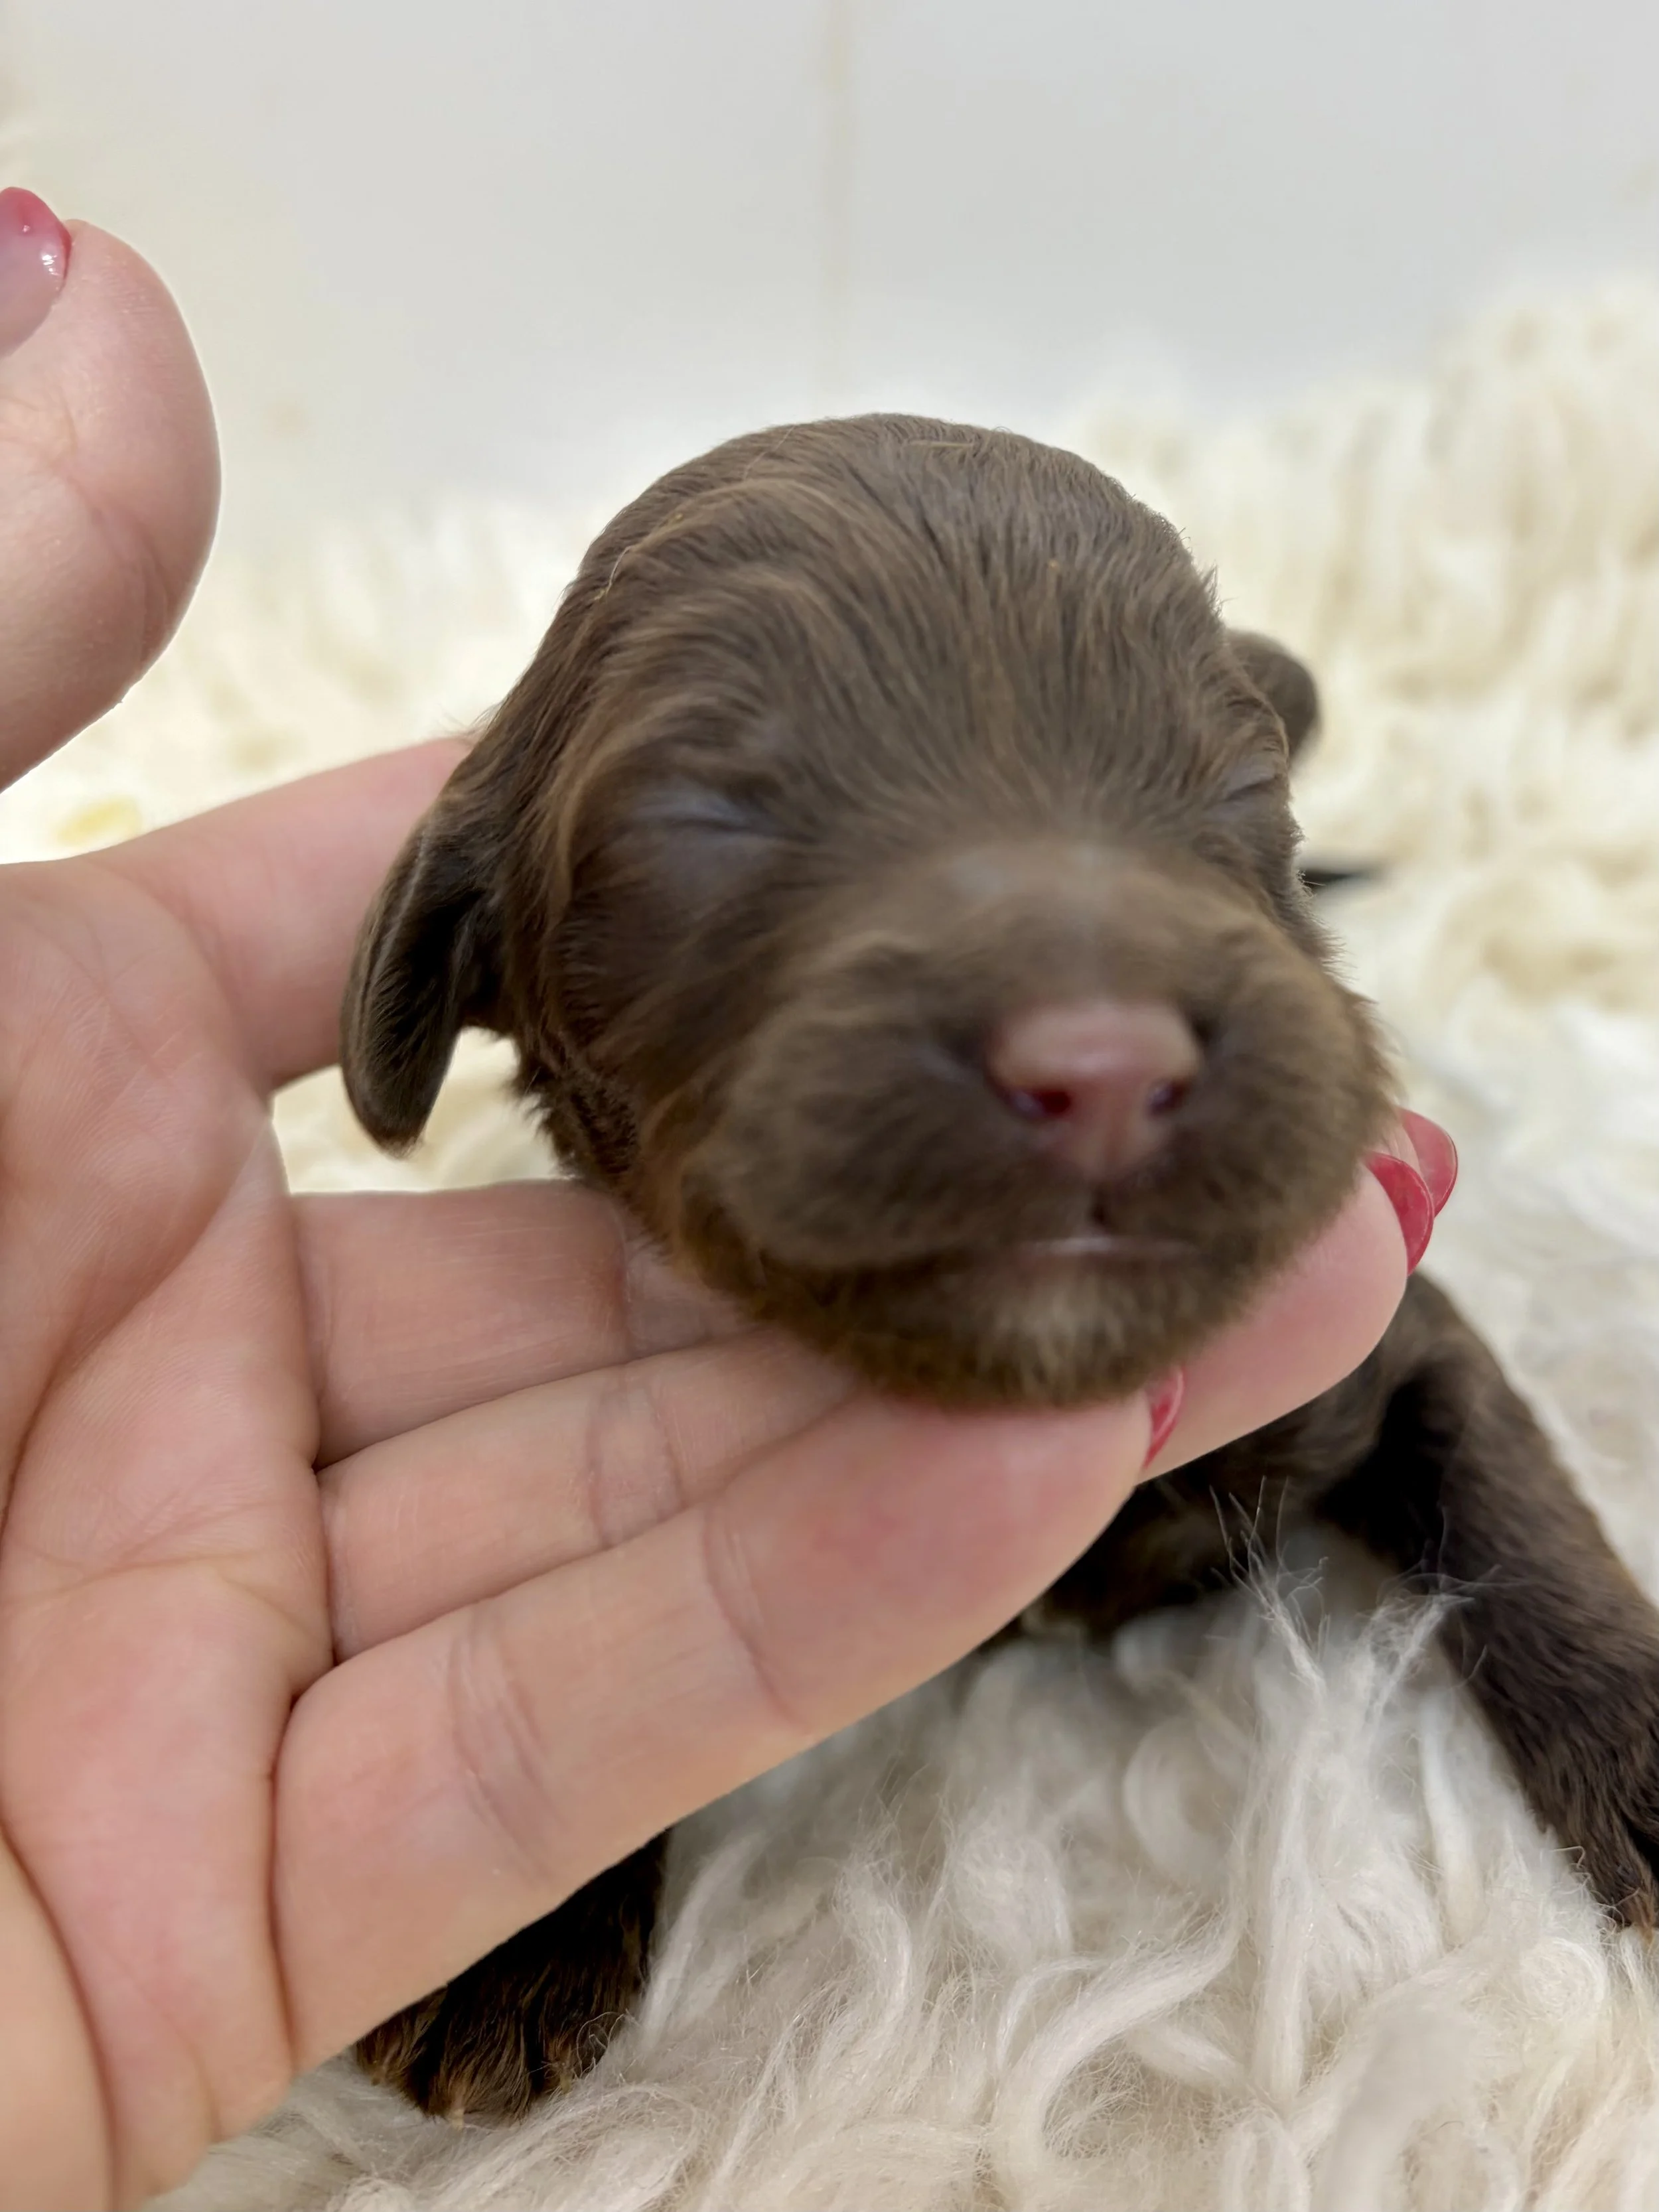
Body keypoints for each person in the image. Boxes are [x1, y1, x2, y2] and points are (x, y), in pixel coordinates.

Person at [0, 194, 1445, 2210]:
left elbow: (1427, 1391)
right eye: (710, 821)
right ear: (458, 972)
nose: (1087, 1044)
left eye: (1211, 809)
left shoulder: (1291, 1288)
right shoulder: (420, 1423)